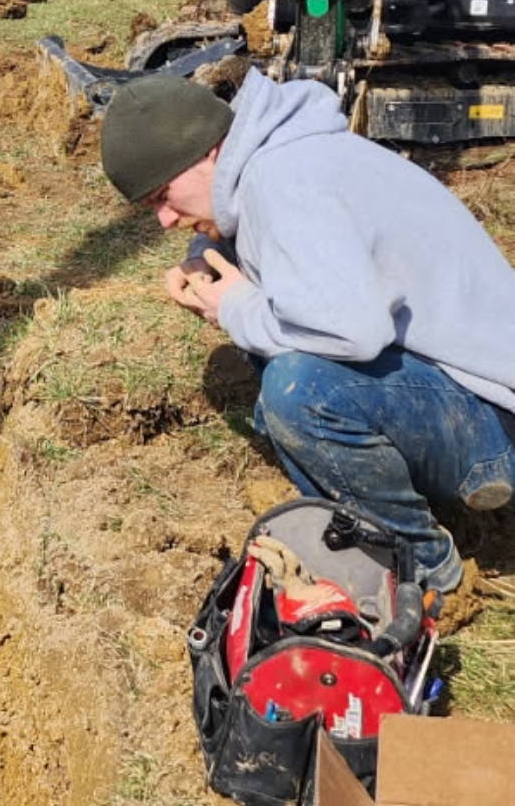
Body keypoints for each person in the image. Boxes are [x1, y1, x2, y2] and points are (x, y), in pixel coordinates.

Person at [100, 65, 515, 597]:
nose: (162, 219)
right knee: (286, 364)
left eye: (163, 195)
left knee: (301, 390)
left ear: (206, 152)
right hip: (467, 391)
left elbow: (354, 332)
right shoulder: (275, 161)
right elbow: (260, 244)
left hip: (492, 421)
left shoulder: (283, 182)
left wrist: (236, 309)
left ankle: (420, 568)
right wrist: (206, 256)